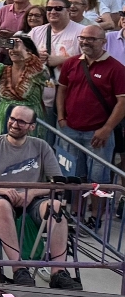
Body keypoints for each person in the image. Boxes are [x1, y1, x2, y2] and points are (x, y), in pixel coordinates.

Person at [0, 104, 81, 289]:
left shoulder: (41, 146)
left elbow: (58, 183)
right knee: (0, 205)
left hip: (33, 201)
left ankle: (59, 272)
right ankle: (19, 269)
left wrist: (32, 192)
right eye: (12, 118)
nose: (14, 124)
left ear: (32, 126)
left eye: (21, 121)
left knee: (56, 206)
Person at [54, 25, 125, 191]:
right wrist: (61, 118)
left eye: (91, 39)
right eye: (83, 38)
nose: (85, 42)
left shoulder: (117, 69)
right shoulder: (70, 63)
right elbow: (62, 90)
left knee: (98, 180)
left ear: (103, 42)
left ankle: (96, 215)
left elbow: (122, 102)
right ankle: (76, 212)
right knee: (73, 176)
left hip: (98, 133)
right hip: (70, 129)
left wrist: (107, 129)